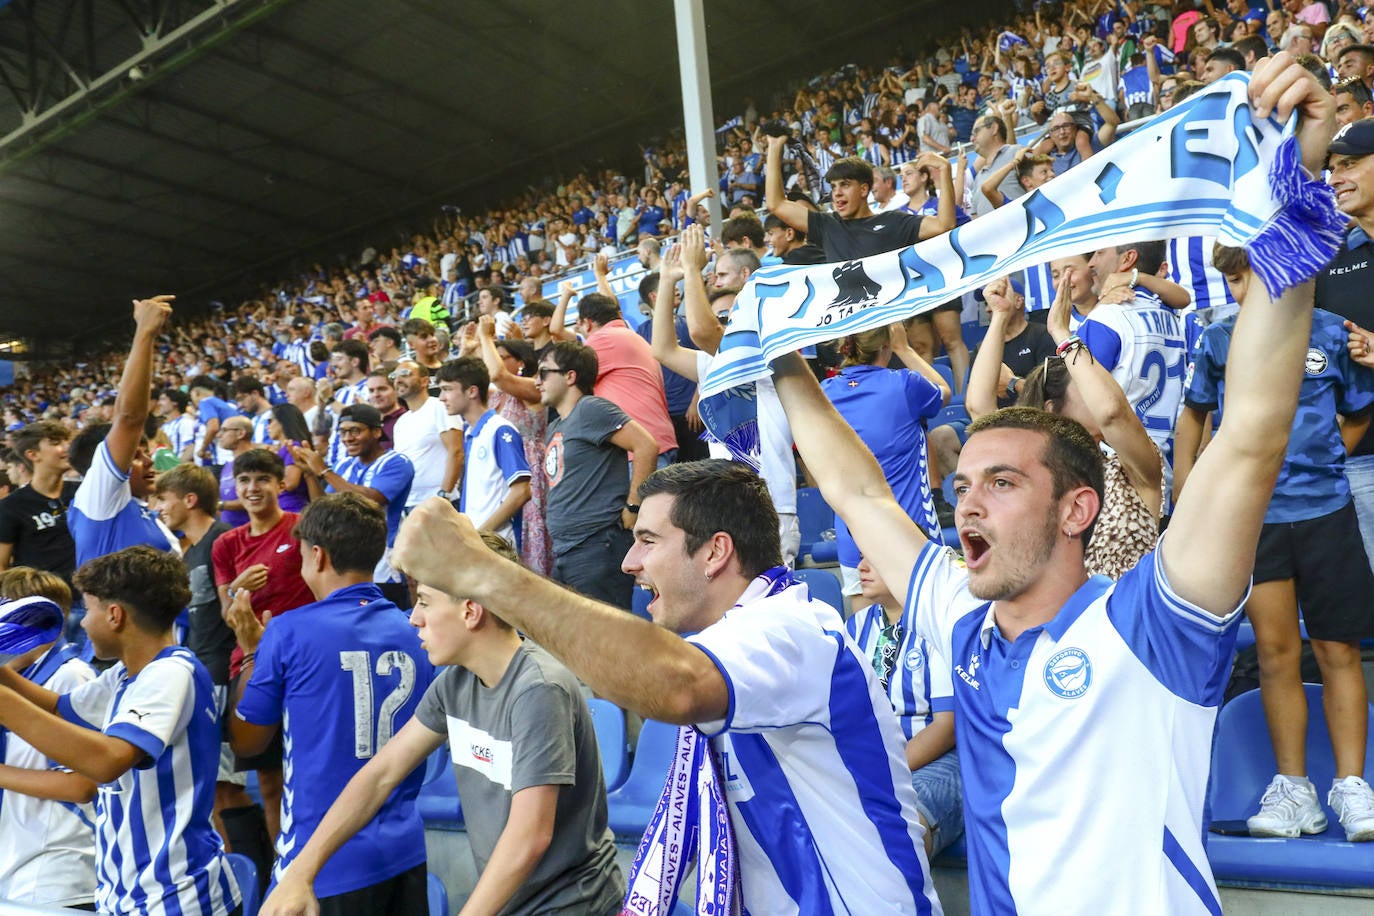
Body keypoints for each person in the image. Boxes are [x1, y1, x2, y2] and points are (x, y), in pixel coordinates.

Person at [762, 52, 1336, 912]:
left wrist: (1298, 189)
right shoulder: (967, 616)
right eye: (965, 484)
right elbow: (859, 494)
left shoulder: (1151, 623)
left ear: (1077, 508)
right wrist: (776, 356)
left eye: (1000, 482)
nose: (966, 498)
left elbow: (1251, 432)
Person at [392, 460, 940, 914]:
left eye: (648, 541)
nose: (630, 563)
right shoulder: (733, 638)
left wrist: (482, 573)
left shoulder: (792, 629)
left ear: (715, 552)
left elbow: (672, 685)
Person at [258, 532, 623, 916]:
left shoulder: (538, 689)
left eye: (424, 602)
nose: (413, 617)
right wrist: (300, 873)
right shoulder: (454, 682)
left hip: (576, 907)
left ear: (470, 610)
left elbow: (529, 837)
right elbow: (379, 775)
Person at [1179, 244, 1374, 841]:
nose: (1241, 292)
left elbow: (1360, 408)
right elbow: (1194, 417)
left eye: (1247, 277)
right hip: (1255, 522)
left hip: (1328, 514)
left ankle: (1353, 787)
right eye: (1232, 281)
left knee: (1339, 650)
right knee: (1275, 654)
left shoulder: (1335, 335)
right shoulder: (1218, 341)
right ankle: (1296, 790)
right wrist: (1190, 494)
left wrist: (1323, 457)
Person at [0, 546, 241, 916]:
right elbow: (58, 708)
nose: (81, 623)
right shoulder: (127, 674)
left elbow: (107, 760)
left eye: (89, 609)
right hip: (131, 893)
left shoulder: (171, 672)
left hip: (176, 898)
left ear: (115, 615)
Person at [228, 494, 434, 913]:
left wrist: (250, 653)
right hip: (405, 851)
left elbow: (247, 742)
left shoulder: (289, 631)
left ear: (316, 555)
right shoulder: (416, 629)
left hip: (321, 860)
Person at [152, 463, 273, 873]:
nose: (158, 508)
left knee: (226, 788)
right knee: (217, 788)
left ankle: (253, 874)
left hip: (227, 671)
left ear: (189, 500)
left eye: (163, 499)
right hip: (205, 671)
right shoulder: (190, 551)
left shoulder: (224, 540)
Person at [822, 323, 949, 609]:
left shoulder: (824, 392)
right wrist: (904, 349)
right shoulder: (905, 383)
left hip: (852, 535)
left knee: (866, 635)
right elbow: (944, 391)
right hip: (910, 530)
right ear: (885, 344)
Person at [845, 555, 961, 859]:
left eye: (874, 557)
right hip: (873, 758)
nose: (861, 567)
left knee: (896, 830)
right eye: (860, 558)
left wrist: (881, 768)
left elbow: (946, 727)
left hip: (939, 758)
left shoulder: (937, 622)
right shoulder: (855, 626)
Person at [536, 341, 657, 610]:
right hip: (566, 549)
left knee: (606, 643)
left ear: (570, 376)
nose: (537, 381)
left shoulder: (591, 409)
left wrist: (634, 506)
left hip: (596, 545)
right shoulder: (555, 424)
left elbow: (646, 445)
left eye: (544, 372)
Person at [0, 572, 97, 909]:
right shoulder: (17, 678)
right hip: (14, 861)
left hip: (56, 869)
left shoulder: (71, 675)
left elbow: (82, 785)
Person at [67, 296, 182, 570]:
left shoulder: (134, 508)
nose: (149, 460)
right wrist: (145, 332)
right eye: (137, 454)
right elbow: (129, 418)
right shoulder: (101, 497)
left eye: (145, 451)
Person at [292, 404, 415, 607]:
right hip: (345, 566)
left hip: (383, 567)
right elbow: (323, 506)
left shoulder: (396, 462)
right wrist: (309, 474)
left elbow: (372, 500)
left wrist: (324, 471)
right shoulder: (343, 465)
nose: (348, 437)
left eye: (355, 430)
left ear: (376, 431)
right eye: (343, 431)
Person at [765, 135, 954, 258]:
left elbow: (944, 225)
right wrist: (774, 147)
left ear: (864, 190)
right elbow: (776, 204)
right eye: (833, 187)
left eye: (845, 185)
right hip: (848, 320)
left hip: (886, 318)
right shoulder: (827, 225)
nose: (837, 193)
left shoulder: (893, 221)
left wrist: (945, 171)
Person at [476, 323, 555, 575]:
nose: (494, 361)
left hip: (528, 467)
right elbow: (469, 382)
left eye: (502, 356)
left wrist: (484, 336)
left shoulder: (534, 387)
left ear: (520, 362)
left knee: (530, 535)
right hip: (499, 470)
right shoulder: (495, 395)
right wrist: (472, 348)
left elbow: (498, 375)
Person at [435, 358, 532, 549]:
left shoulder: (500, 429)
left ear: (472, 391)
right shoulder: (469, 432)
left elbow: (521, 491)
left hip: (498, 544)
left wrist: (481, 535)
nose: (441, 397)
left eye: (447, 389)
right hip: (478, 544)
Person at [0, 420, 79, 587]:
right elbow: (1, 565)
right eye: (56, 443)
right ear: (33, 455)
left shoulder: (83, 492)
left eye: (67, 442)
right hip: (46, 600)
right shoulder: (11, 506)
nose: (67, 448)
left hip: (92, 598)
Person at [388, 359, 463, 507]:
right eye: (394, 376)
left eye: (405, 373)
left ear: (425, 381)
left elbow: (457, 451)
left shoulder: (439, 407)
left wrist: (444, 495)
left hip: (439, 502)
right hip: (409, 503)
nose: (398, 380)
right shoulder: (401, 422)